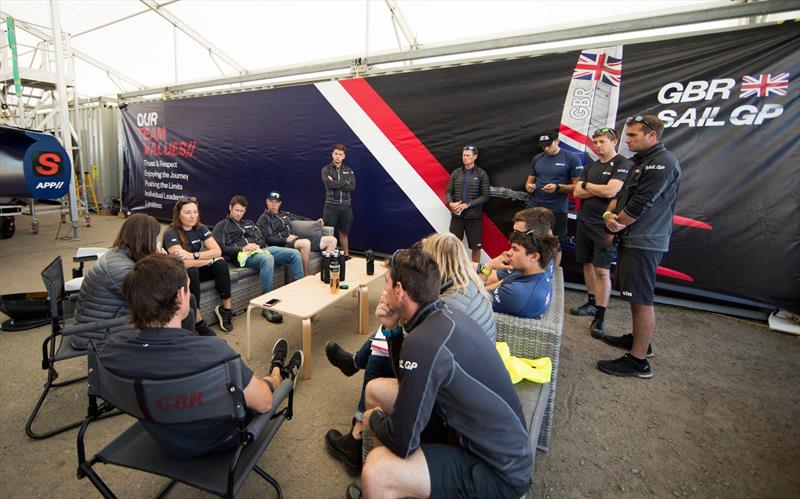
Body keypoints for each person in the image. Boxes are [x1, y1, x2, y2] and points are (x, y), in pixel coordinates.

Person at [350, 247, 532, 499]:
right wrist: (391, 330)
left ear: (400, 291)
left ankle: (386, 484)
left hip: (497, 473)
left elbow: (404, 441)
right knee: (376, 390)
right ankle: (394, 490)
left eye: (387, 284)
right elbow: (408, 385)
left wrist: (372, 420)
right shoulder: (442, 314)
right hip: (478, 436)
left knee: (376, 470)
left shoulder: (423, 341)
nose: (384, 291)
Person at [97, 254, 303, 458]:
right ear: (180, 296)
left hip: (165, 438)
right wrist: (269, 384)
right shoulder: (215, 353)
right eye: (188, 288)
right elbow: (264, 404)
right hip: (222, 439)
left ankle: (275, 372)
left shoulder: (110, 355)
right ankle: (279, 373)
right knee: (264, 388)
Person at [324, 233, 497, 476]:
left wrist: (373, 420)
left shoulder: (445, 310)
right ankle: (354, 379)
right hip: (466, 380)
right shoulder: (466, 286)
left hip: (452, 402)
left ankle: (356, 435)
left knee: (380, 352)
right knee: (386, 334)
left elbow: (414, 369)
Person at [599, 114, 682, 379]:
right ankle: (640, 342)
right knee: (634, 296)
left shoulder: (662, 163)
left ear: (652, 136)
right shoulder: (641, 162)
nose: (628, 139)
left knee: (642, 299)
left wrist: (615, 225)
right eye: (628, 134)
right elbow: (622, 197)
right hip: (633, 237)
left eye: (634, 135)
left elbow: (638, 205)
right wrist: (610, 218)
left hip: (645, 241)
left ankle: (638, 361)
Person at [71, 213, 198, 349]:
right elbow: (163, 295)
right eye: (154, 239)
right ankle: (182, 350)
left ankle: (189, 342)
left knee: (188, 300)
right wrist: (166, 262)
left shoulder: (120, 254)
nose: (156, 243)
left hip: (106, 321)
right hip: (100, 332)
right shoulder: (120, 269)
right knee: (181, 308)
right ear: (144, 239)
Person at [571, 128, 633, 337]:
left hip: (604, 225)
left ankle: (600, 316)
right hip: (584, 221)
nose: (597, 146)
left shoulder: (624, 164)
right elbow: (577, 192)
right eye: (595, 142)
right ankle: (591, 302)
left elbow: (612, 191)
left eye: (602, 142)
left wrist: (588, 186)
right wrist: (593, 187)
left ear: (614, 141)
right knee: (586, 264)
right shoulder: (590, 166)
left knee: (602, 270)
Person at [212, 195, 304, 324]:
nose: (239, 214)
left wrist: (257, 245)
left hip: (260, 250)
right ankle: (266, 305)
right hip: (242, 256)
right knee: (267, 259)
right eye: (236, 210)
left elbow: (261, 239)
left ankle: (299, 294)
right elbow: (221, 248)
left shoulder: (249, 223)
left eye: (242, 211)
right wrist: (242, 248)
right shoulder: (222, 226)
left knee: (294, 253)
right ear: (230, 208)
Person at [163, 197, 230, 335]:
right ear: (178, 214)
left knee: (221, 264)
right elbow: (181, 263)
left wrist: (194, 255)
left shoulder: (200, 227)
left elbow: (217, 251)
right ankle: (198, 320)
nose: (193, 216)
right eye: (188, 212)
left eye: (195, 212)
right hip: (179, 274)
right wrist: (208, 260)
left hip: (195, 263)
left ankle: (226, 310)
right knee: (191, 270)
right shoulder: (171, 233)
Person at [525, 129, 583, 266]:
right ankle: (532, 272)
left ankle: (553, 275)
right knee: (531, 241)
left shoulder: (571, 158)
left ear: (557, 141)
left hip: (557, 209)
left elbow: (578, 186)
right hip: (535, 206)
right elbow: (529, 181)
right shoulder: (537, 158)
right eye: (543, 146)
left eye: (549, 145)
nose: (546, 148)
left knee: (555, 244)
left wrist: (558, 187)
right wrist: (529, 186)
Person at [256, 191, 337, 276]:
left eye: (276, 202)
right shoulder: (263, 219)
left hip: (294, 240)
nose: (273, 205)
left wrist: (315, 221)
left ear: (280, 203)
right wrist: (285, 239)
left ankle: (325, 274)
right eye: (271, 201)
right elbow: (268, 239)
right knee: (305, 243)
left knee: (332, 240)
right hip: (282, 245)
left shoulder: (284, 214)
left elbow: (300, 218)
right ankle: (305, 277)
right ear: (267, 202)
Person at [483, 230, 558, 319]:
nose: (508, 253)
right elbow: (500, 283)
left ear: (534, 257)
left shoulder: (518, 293)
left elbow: (472, 300)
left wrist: (488, 267)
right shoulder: (534, 271)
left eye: (515, 249)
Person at [445, 144, 490, 263]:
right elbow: (449, 191)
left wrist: (468, 204)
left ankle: (475, 272)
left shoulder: (481, 174)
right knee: (452, 245)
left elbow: (485, 196)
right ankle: (453, 269)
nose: (465, 158)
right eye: (463, 155)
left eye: (468, 155)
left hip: (474, 217)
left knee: (476, 247)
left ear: (475, 157)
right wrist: (450, 203)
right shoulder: (456, 173)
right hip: (457, 216)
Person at [322, 144, 355, 256]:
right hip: (331, 206)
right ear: (332, 154)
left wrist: (335, 182)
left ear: (344, 156)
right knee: (329, 233)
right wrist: (345, 182)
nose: (337, 156)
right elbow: (328, 184)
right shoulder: (326, 169)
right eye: (336, 154)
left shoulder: (349, 170)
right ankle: (331, 256)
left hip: (346, 207)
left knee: (344, 232)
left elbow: (352, 187)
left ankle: (346, 255)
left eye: (340, 154)